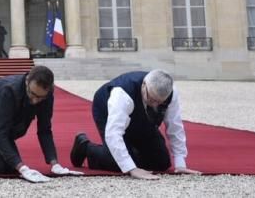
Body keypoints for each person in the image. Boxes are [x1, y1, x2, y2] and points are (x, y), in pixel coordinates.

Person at [69, 69, 200, 180]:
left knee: (161, 162)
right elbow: (113, 133)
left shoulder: (171, 93)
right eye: (152, 99)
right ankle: (86, 147)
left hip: (142, 120)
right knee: (119, 164)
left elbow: (175, 127)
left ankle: (131, 152)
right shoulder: (122, 94)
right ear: (144, 85)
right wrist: (132, 169)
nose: (154, 105)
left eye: (159, 102)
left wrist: (180, 163)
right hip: (106, 110)